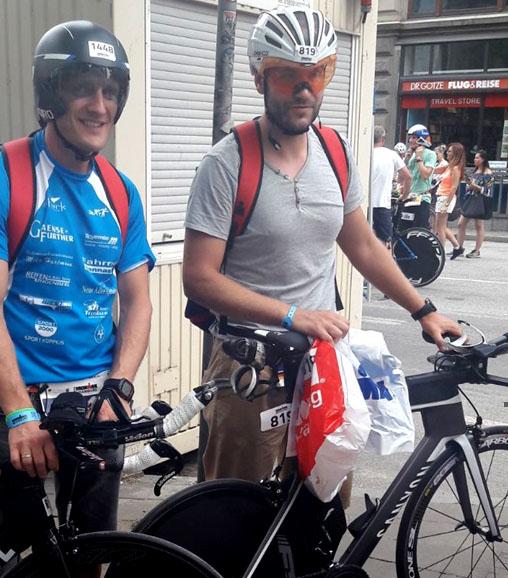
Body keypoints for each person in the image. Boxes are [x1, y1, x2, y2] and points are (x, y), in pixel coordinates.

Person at [182, 6, 460, 487]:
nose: (304, 89)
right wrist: (293, 315)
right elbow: (199, 278)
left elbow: (364, 245)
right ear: (259, 77)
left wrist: (423, 310)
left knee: (323, 500)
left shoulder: (335, 152)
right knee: (236, 508)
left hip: (322, 360)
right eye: (287, 75)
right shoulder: (226, 164)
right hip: (251, 366)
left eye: (316, 74)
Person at [0, 20, 155, 547]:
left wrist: (120, 388)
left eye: (110, 91)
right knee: (0, 558)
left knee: (91, 552)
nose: (99, 106)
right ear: (50, 93)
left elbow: (137, 304)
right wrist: (19, 414)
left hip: (95, 405)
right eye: (83, 88)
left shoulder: (122, 194)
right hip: (16, 403)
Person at [371, 126, 411, 248]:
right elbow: (408, 176)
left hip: (364, 204)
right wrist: (404, 195)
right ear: (383, 140)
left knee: (366, 239)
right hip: (382, 204)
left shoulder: (365, 153)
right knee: (386, 241)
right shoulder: (391, 154)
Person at [457, 149, 495, 259]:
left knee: (479, 225)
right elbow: (470, 186)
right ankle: (459, 247)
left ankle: (477, 250)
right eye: (475, 157)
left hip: (480, 201)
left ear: (483, 159)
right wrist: (469, 184)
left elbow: (488, 191)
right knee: (461, 223)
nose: (474, 160)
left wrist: (475, 186)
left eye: (477, 158)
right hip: (470, 199)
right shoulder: (475, 171)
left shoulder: (488, 173)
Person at [401, 124, 437, 228]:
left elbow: (425, 175)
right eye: (410, 138)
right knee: (404, 227)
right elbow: (404, 177)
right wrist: (406, 160)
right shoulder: (411, 155)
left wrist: (419, 159)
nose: (410, 140)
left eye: (414, 137)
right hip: (409, 197)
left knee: (418, 229)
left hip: (422, 198)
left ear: (421, 139)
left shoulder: (430, 154)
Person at [433, 143, 464, 258]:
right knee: (439, 225)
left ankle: (441, 249)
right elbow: (435, 171)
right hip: (442, 195)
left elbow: (454, 187)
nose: (447, 153)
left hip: (446, 197)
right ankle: (457, 247)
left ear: (455, 154)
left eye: (450, 151)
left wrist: (446, 204)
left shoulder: (455, 168)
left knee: (440, 226)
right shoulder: (449, 166)